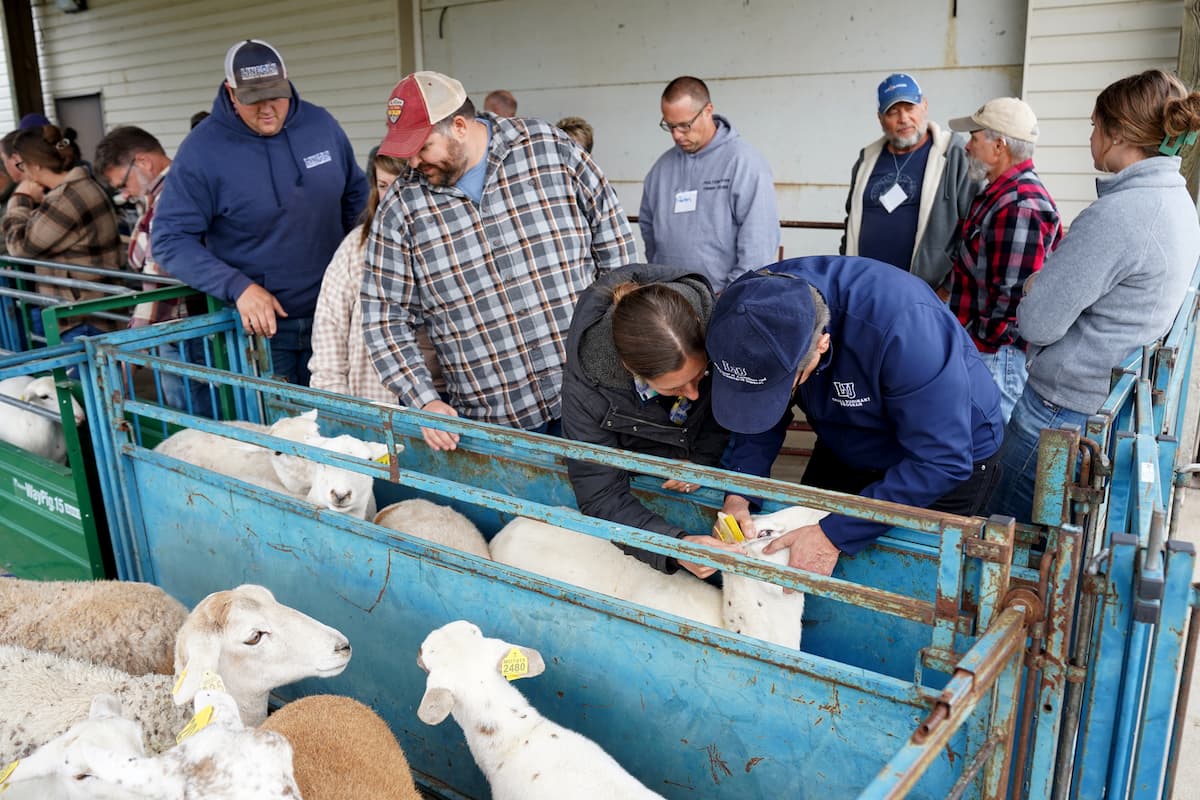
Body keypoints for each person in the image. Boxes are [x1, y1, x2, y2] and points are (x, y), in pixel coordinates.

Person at [362, 71, 636, 451]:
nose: (411, 162)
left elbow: (616, 251)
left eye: (422, 147)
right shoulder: (401, 209)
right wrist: (423, 398)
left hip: (594, 399)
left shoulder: (548, 149)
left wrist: (621, 354)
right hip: (496, 427)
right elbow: (384, 318)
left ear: (459, 126)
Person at [990, 69, 1200, 524]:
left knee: (1005, 539)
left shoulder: (1121, 214)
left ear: (1117, 134)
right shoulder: (1176, 203)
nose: (1090, 137)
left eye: (1093, 126)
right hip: (1097, 400)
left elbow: (1038, 321)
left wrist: (1035, 287)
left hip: (1057, 412)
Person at [707, 257, 1004, 576]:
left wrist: (834, 535)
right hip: (846, 436)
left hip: (942, 460)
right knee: (807, 558)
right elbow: (757, 398)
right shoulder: (748, 304)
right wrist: (741, 490)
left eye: (784, 386)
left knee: (911, 584)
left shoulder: (905, 329)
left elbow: (941, 460)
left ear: (822, 344)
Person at [152, 39, 367, 386]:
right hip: (262, 330)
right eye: (253, 99)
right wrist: (237, 287)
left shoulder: (321, 125)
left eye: (276, 95)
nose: (268, 109)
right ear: (231, 93)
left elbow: (357, 199)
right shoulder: (202, 151)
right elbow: (169, 240)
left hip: (335, 316)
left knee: (341, 429)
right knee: (277, 432)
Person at [561, 263, 736, 577]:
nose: (694, 395)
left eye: (700, 375)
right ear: (630, 368)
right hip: (644, 486)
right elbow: (600, 494)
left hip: (709, 467)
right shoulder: (587, 390)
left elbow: (726, 410)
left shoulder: (720, 329)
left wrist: (701, 459)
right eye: (674, 387)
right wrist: (675, 546)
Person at [946, 97, 1061, 423]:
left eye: (974, 137)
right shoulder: (1000, 193)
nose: (967, 146)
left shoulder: (1020, 203)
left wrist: (980, 343)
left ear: (999, 146)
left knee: (992, 443)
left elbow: (1011, 301)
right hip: (991, 352)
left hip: (999, 356)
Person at [94, 125, 213, 416]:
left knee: (193, 419)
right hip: (178, 323)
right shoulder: (159, 194)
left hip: (183, 322)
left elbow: (154, 278)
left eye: (123, 183)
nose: (124, 193)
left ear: (144, 162)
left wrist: (132, 350)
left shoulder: (171, 197)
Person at [309, 148, 444, 402]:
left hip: (446, 397)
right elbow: (330, 329)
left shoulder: (451, 240)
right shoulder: (356, 247)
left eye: (401, 184)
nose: (392, 197)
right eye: (383, 186)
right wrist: (337, 404)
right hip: (382, 399)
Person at [639, 76, 778, 293]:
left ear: (708, 110)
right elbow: (648, 227)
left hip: (722, 299)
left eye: (684, 125)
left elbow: (758, 244)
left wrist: (728, 295)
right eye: (670, 126)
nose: (676, 135)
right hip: (669, 302)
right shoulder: (661, 168)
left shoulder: (743, 162)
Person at [840, 72, 977, 291]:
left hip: (926, 293)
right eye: (893, 112)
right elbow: (851, 224)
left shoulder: (953, 155)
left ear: (924, 106)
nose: (903, 119)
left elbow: (974, 230)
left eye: (910, 108)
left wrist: (948, 288)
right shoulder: (866, 160)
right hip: (866, 289)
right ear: (880, 118)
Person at [3, 124, 123, 341]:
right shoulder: (78, 188)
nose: (24, 173)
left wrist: (19, 199)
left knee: (83, 376)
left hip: (83, 318)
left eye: (22, 165)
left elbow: (19, 247)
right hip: (93, 311)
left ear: (36, 165)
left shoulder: (66, 197)